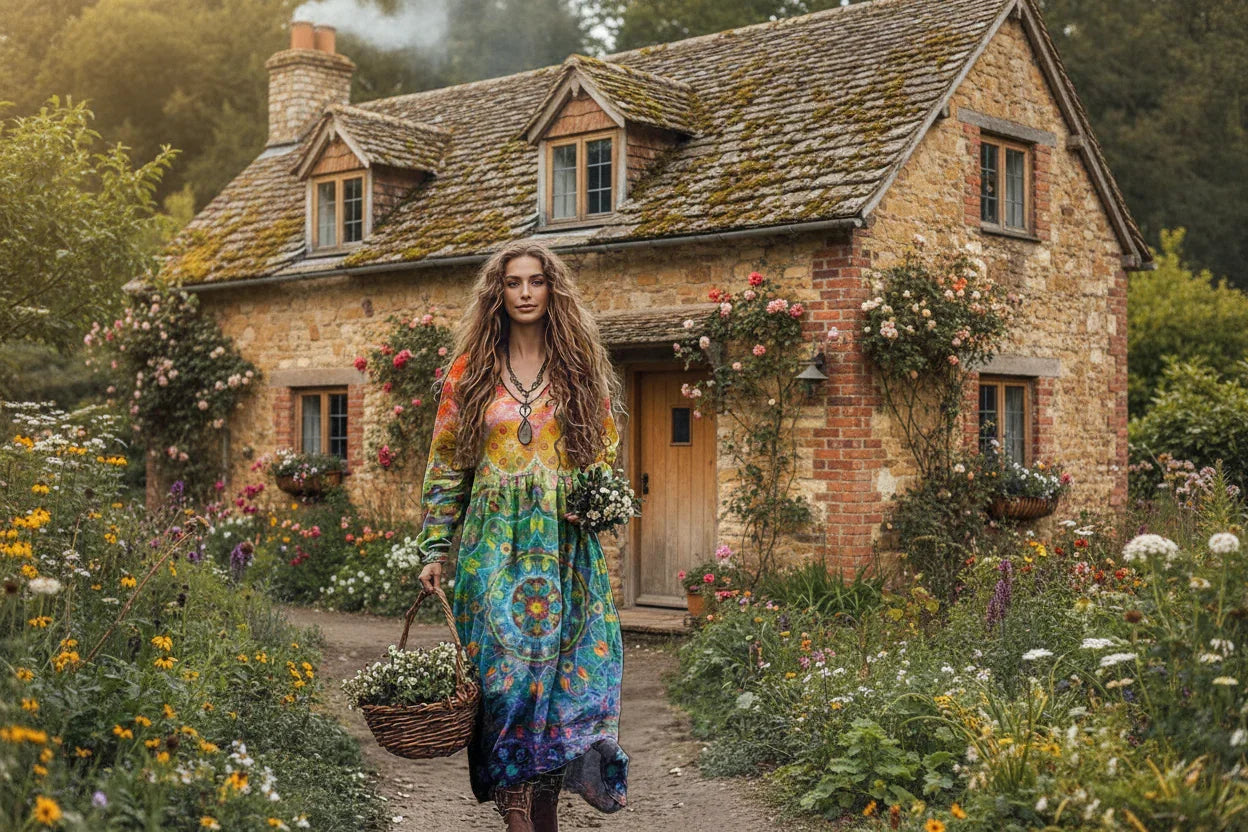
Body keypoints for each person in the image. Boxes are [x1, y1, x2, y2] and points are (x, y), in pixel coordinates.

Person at [415, 240, 629, 832]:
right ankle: (515, 812)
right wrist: (435, 547)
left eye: (536, 281)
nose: (526, 292)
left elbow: (604, 451)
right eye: (514, 283)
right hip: (491, 549)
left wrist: (593, 502)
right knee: (504, 683)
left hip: (563, 551)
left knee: (559, 687)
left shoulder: (577, 369)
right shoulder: (470, 373)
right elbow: (446, 463)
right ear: (498, 293)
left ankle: (544, 810)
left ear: (552, 290)